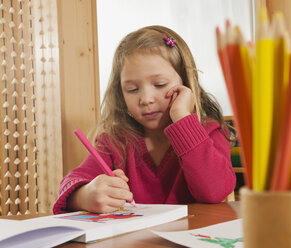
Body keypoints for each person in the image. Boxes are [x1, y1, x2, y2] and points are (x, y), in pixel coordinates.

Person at [53, 25, 236, 214]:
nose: (146, 99)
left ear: (186, 83)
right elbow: (69, 184)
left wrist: (182, 117)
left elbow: (215, 191)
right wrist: (85, 195)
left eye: (159, 84)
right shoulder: (115, 142)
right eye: (132, 89)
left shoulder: (210, 131)